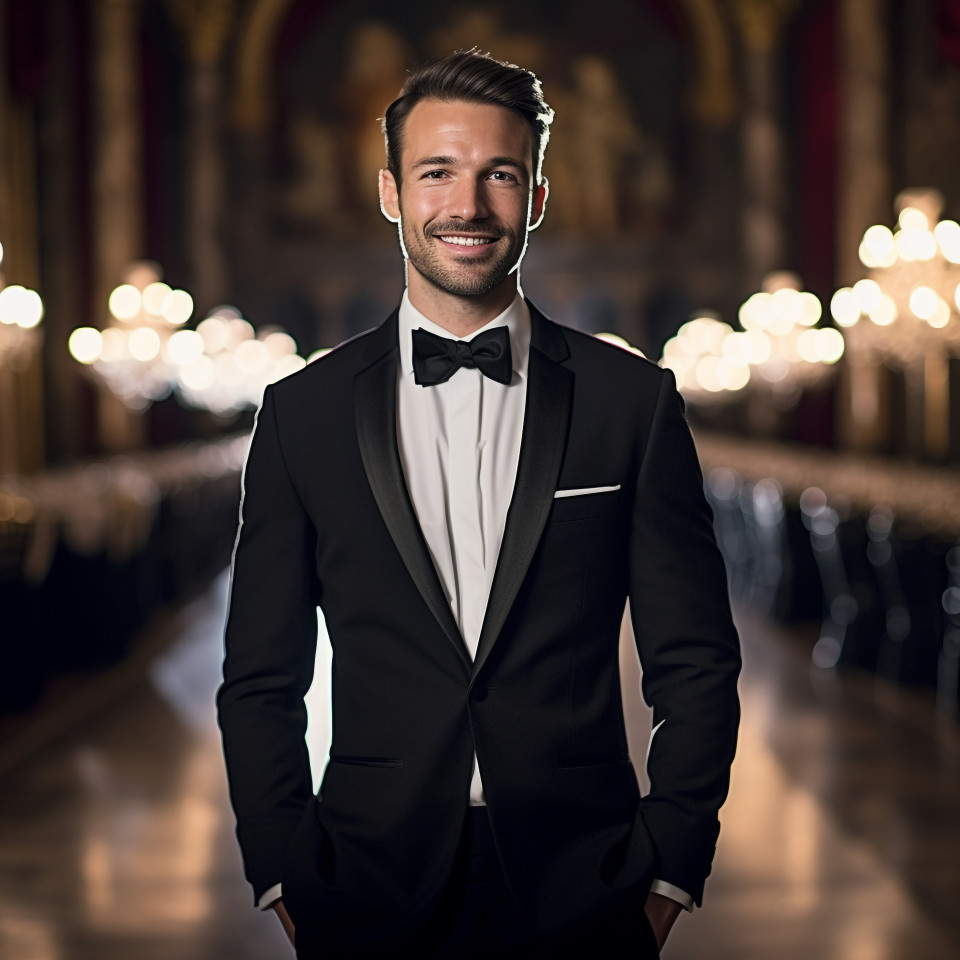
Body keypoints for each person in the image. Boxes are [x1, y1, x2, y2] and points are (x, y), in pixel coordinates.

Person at [218, 49, 740, 959]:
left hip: (589, 883)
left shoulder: (633, 403)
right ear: (390, 192)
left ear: (537, 195)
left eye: (499, 173)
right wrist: (282, 867)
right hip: (361, 880)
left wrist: (668, 869)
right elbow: (261, 679)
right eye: (437, 173)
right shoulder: (301, 414)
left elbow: (695, 662)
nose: (467, 206)